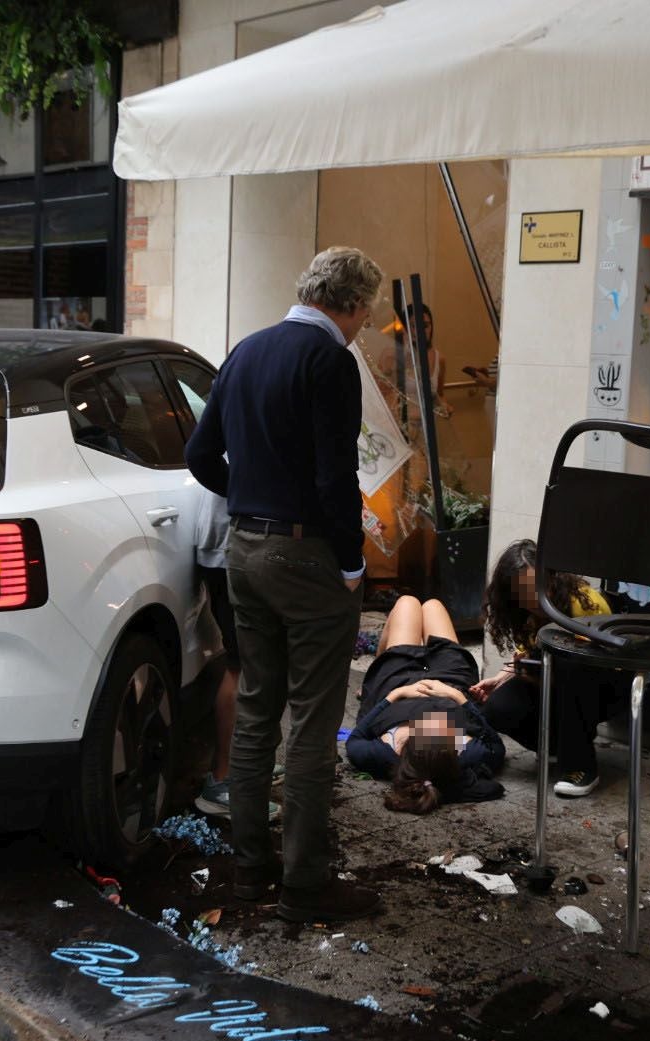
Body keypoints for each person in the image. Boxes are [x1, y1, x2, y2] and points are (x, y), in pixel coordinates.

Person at [186, 245, 383, 923]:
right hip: (306, 557)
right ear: (353, 304)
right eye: (365, 314)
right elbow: (336, 478)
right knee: (313, 718)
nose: (362, 326)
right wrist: (352, 561)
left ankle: (249, 870)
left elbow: (198, 454)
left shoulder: (245, 350)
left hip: (243, 549)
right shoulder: (330, 360)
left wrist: (248, 495)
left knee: (258, 710)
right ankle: (304, 884)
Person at [469, 539, 613, 798]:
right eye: (521, 593)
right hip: (554, 681)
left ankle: (582, 766)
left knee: (570, 667)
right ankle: (557, 747)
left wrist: (540, 678)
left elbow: (592, 670)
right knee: (497, 707)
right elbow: (527, 654)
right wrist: (502, 677)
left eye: (535, 588)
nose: (531, 599)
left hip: (600, 686)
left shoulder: (585, 603)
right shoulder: (526, 613)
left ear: (552, 577)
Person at [344, 596, 506, 813]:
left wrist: (395, 695)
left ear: (406, 744)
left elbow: (355, 740)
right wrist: (459, 699)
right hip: (450, 680)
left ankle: (378, 663)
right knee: (432, 606)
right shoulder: (467, 756)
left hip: (397, 679)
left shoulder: (385, 755)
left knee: (407, 602)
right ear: (453, 750)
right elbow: (496, 746)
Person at [189, 486, 280, 822]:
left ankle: (245, 765)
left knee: (249, 662)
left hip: (233, 540)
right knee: (241, 666)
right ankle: (223, 781)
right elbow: (203, 456)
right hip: (234, 541)